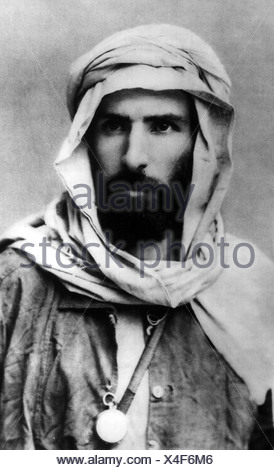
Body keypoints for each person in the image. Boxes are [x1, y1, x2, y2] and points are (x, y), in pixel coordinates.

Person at [0, 24, 273, 450]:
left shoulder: (255, 292)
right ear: (84, 142)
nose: (134, 157)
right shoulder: (16, 282)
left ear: (203, 145)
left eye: (163, 126)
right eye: (114, 127)